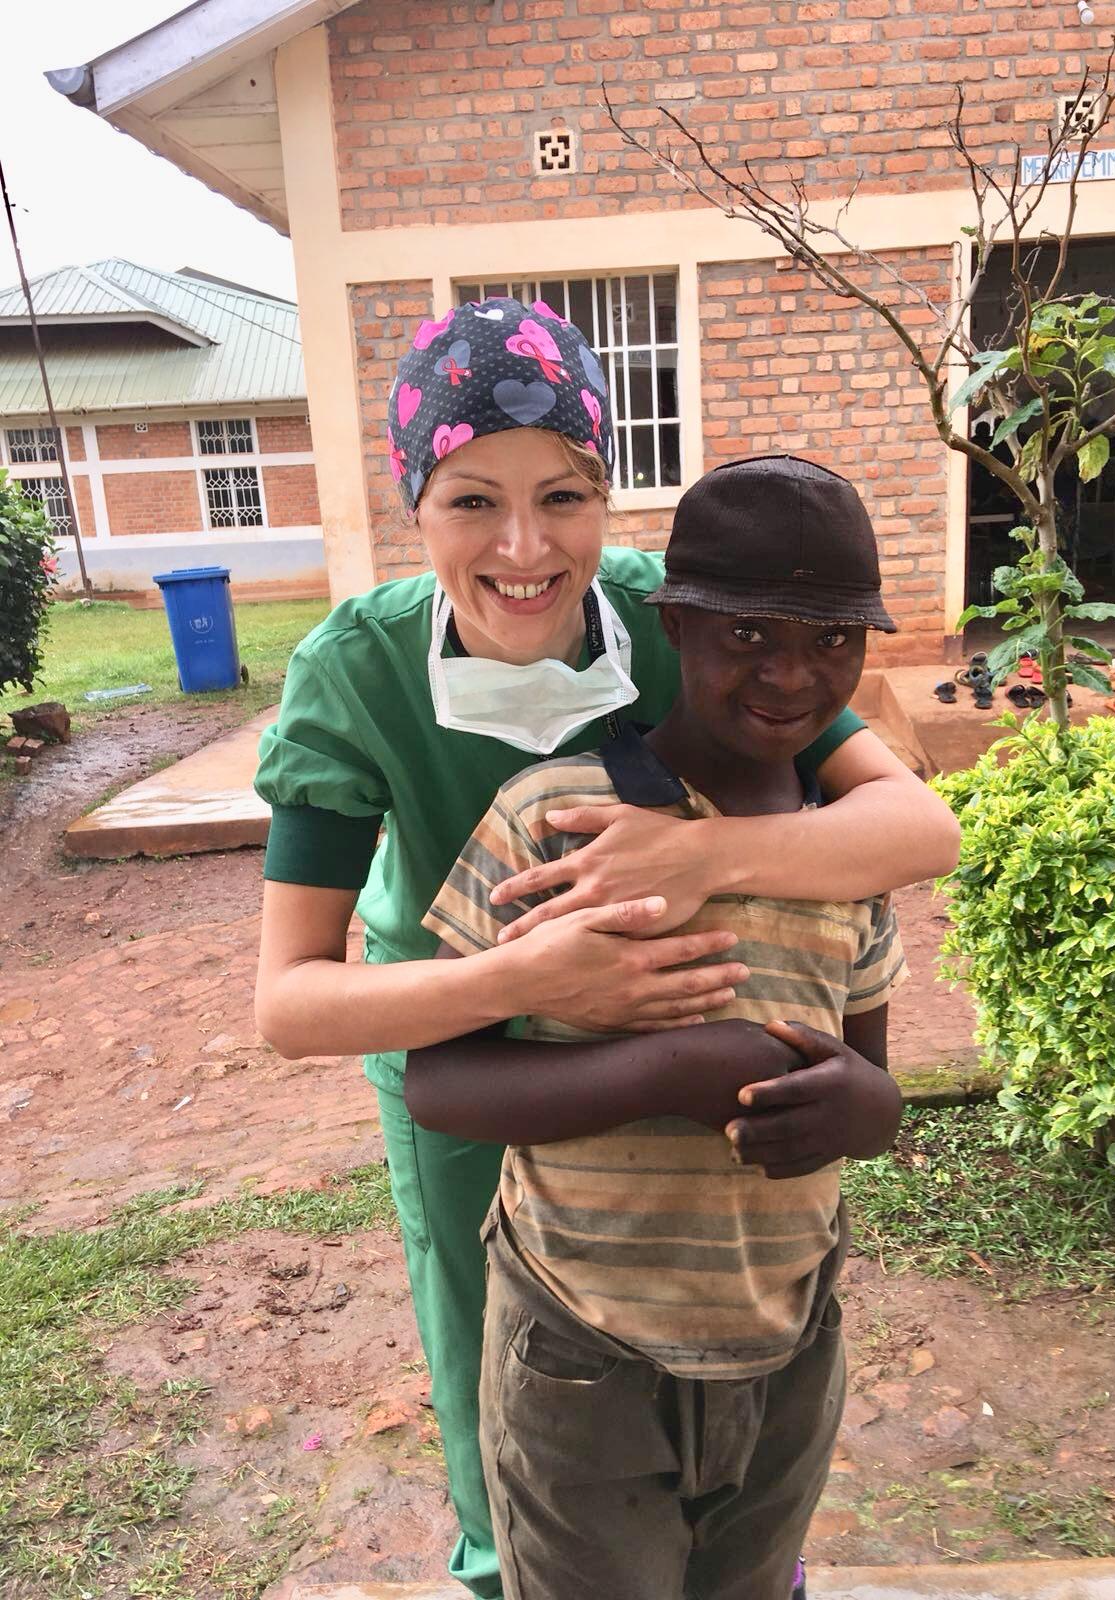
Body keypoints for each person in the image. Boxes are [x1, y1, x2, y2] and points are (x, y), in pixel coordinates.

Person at [253, 299, 959, 1600]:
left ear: (607, 499)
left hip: (694, 1111)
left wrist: (702, 857)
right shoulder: (356, 670)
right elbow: (292, 1001)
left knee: (702, 1371)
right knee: (501, 1366)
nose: (525, 548)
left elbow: (917, 826)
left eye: (564, 497)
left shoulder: (686, 618)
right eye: (473, 500)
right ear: (416, 504)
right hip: (445, 1011)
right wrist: (529, 978)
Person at [408, 454, 906, 1600]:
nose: (793, 673)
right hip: (582, 1351)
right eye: (750, 634)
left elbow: (872, 1090)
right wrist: (670, 1070)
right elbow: (439, 1081)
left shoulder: (850, 853)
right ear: (676, 624)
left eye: (833, 639)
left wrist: (865, 1109)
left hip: (786, 1341)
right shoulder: (555, 820)